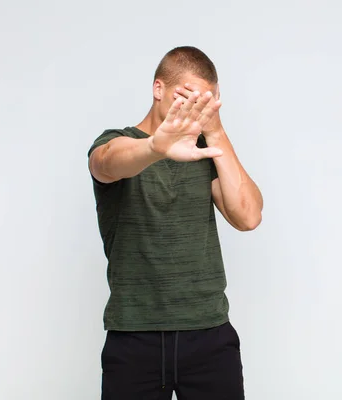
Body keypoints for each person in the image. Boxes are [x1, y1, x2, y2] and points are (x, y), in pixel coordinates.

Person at [87, 46, 263, 400]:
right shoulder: (118, 142)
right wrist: (157, 146)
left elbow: (248, 216)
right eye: (186, 97)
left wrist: (215, 133)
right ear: (158, 89)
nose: (194, 110)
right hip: (134, 336)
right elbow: (107, 164)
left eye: (205, 102)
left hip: (209, 335)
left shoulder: (204, 150)